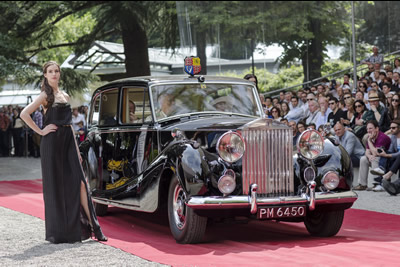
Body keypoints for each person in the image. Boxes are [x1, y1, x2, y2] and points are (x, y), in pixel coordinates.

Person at [20, 61, 107, 243]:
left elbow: (70, 126)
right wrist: (41, 130)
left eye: (56, 71)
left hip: (68, 141)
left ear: (59, 74)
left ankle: (94, 227)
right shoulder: (45, 95)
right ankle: (60, 232)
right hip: (52, 143)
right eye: (50, 71)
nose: (54, 74)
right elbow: (24, 114)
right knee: (55, 187)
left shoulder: (65, 95)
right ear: (45, 74)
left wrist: (76, 149)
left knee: (81, 183)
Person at [354, 120, 391, 191]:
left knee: (374, 158)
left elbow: (376, 153)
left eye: (370, 128)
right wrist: (369, 156)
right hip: (377, 158)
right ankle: (362, 184)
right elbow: (367, 152)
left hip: (386, 160)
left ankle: (377, 183)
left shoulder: (382, 137)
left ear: (377, 128)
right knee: (363, 159)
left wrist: (369, 141)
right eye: (367, 129)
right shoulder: (371, 137)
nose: (368, 130)